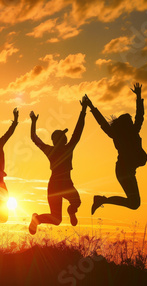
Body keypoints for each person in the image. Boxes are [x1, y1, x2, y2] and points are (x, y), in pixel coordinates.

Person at [28, 96, 88, 235]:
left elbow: (34, 138)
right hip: (63, 184)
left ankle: (65, 212)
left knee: (59, 217)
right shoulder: (67, 148)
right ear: (61, 139)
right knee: (68, 210)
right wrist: (83, 110)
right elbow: (78, 132)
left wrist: (33, 122)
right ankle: (41, 218)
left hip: (56, 185)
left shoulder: (51, 150)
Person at [89, 83, 147, 214]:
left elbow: (140, 115)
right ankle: (101, 200)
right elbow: (103, 123)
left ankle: (101, 200)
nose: (133, 122)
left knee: (134, 203)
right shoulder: (120, 136)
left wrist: (139, 96)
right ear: (126, 125)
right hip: (123, 171)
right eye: (130, 121)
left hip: (128, 171)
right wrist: (92, 108)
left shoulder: (133, 132)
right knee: (134, 203)